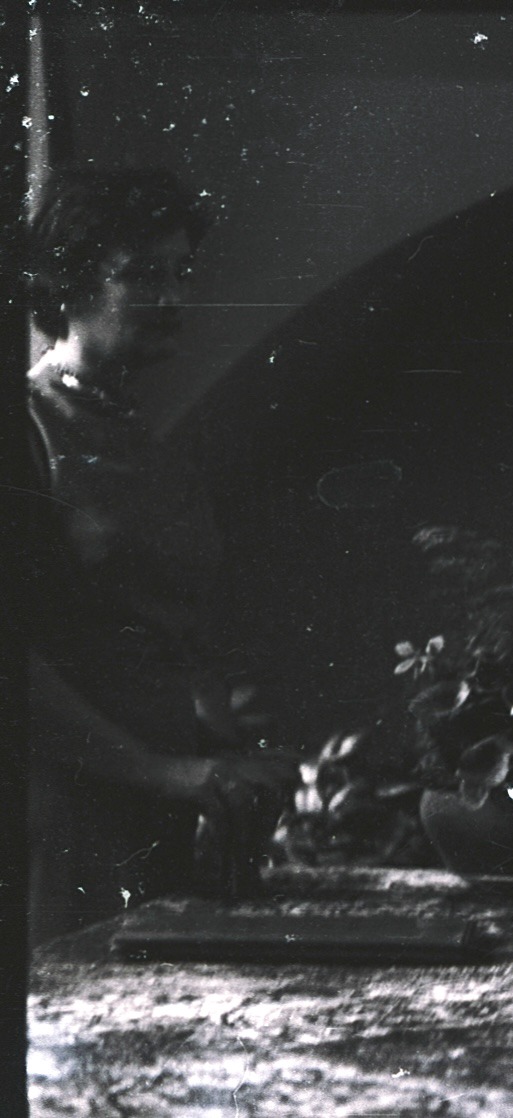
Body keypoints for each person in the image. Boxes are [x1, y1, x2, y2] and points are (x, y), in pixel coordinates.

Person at [24, 169, 298, 946]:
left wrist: (231, 761)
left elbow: (178, 633)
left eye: (180, 273)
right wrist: (163, 772)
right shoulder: (29, 429)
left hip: (167, 812)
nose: (173, 298)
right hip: (63, 813)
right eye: (143, 275)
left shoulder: (145, 441)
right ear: (68, 282)